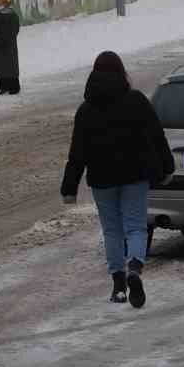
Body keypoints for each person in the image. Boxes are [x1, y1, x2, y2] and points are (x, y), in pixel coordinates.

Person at [60, 51, 173, 307]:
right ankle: (134, 266)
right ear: (122, 73)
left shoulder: (86, 110)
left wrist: (69, 187)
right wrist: (166, 167)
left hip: (102, 179)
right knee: (135, 227)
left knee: (112, 230)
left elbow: (77, 152)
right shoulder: (137, 101)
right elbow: (157, 136)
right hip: (135, 176)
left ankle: (119, 285)